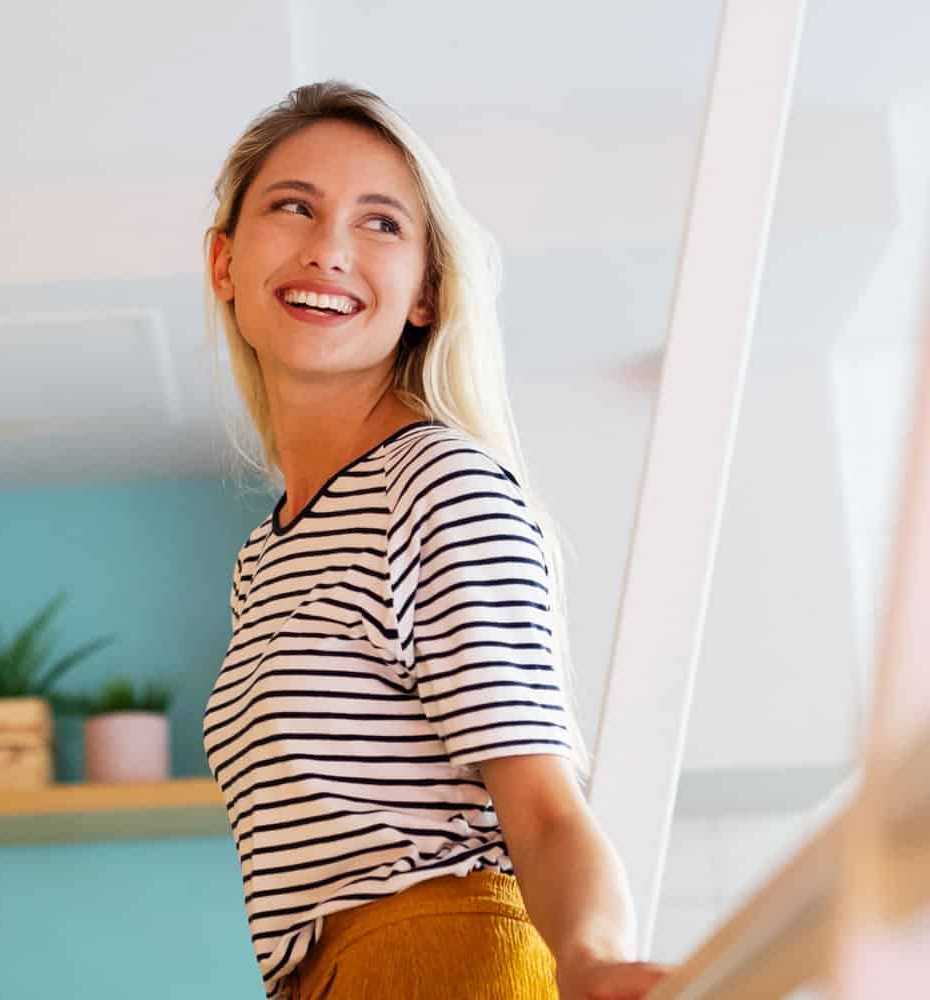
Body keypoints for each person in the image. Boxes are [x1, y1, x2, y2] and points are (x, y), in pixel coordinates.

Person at [202, 81, 671, 1000]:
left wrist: (591, 961)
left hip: (446, 961)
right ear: (224, 261)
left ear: (426, 293)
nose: (328, 249)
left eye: (380, 224)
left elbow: (540, 809)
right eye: (293, 206)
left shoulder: (437, 482)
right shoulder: (267, 554)